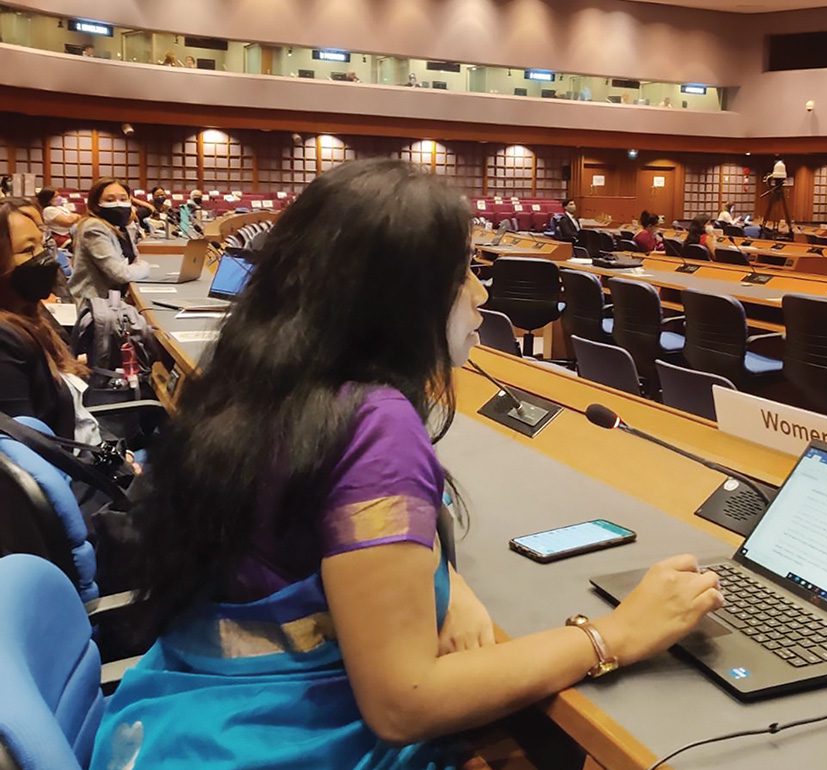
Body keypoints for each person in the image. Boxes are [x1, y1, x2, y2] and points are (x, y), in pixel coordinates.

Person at [88, 160, 722, 770]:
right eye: (462, 273)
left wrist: (445, 580)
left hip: (183, 718)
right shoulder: (377, 424)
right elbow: (403, 703)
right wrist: (615, 635)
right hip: (278, 743)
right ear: (398, 296)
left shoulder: (267, 378)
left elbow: (336, 527)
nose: (480, 291)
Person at [0, 199, 100, 443]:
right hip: (74, 462)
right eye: (28, 250)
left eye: (42, 245)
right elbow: (28, 448)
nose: (45, 258)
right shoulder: (4, 341)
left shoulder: (28, 314)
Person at [69, 178, 151, 304]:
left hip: (114, 300)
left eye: (123, 199)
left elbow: (134, 260)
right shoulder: (93, 227)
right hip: (93, 305)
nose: (118, 204)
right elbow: (120, 274)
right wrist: (145, 267)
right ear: (96, 204)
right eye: (109, 200)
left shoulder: (120, 227)